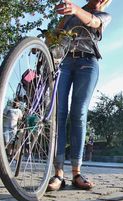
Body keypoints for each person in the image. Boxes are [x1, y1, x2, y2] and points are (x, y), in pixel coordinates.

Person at [48, 0, 112, 191]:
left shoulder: (103, 16)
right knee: (59, 113)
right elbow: (54, 37)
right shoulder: (71, 14)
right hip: (65, 62)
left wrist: (75, 9)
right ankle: (58, 173)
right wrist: (44, 47)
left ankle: (76, 172)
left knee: (79, 113)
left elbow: (92, 22)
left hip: (88, 63)